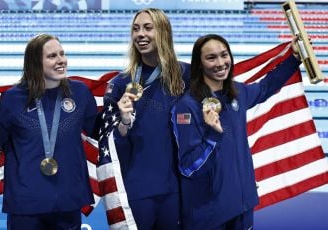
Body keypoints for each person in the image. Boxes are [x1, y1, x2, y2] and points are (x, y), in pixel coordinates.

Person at [171, 34, 301, 230]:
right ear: (199, 64)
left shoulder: (237, 93)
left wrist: (294, 58)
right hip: (210, 214)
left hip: (242, 205)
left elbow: (265, 87)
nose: (221, 63)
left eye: (224, 55)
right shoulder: (186, 107)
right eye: (211, 57)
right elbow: (188, 167)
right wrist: (213, 136)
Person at [99, 8, 190, 229]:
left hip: (177, 188)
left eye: (148, 28)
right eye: (136, 29)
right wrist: (124, 122)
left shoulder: (186, 76)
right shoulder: (121, 84)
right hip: (137, 190)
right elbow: (110, 146)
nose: (141, 34)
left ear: (164, 33)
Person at [0, 34, 98, 229]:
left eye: (62, 54)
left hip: (68, 201)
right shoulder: (12, 99)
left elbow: (98, 132)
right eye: (52, 56)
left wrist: (124, 119)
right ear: (35, 62)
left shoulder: (80, 93)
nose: (61, 60)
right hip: (26, 204)